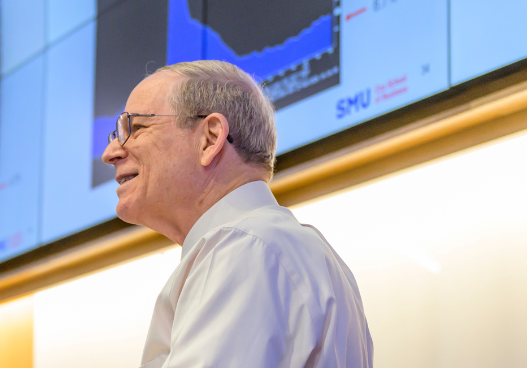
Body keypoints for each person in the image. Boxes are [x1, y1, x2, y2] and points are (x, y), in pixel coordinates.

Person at [101, 60, 372, 368]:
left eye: (135, 128)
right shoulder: (280, 247)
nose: (110, 154)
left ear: (211, 138)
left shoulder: (244, 248)